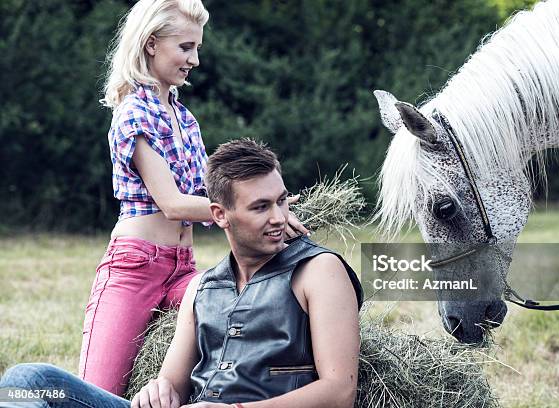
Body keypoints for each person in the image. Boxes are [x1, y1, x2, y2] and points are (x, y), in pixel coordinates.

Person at [0, 139, 363, 408]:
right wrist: (155, 391)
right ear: (219, 215)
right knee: (26, 381)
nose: (279, 218)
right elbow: (171, 385)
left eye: (281, 201)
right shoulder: (202, 287)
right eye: (261, 207)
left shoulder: (319, 270)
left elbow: (339, 392)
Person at [80, 0, 307, 396]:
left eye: (197, 48)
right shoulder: (134, 112)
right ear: (151, 44)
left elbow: (211, 194)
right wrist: (249, 213)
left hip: (185, 269)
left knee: (251, 326)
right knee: (99, 393)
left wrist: (271, 209)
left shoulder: (184, 118)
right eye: (186, 47)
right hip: (135, 267)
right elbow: (173, 203)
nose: (195, 60)